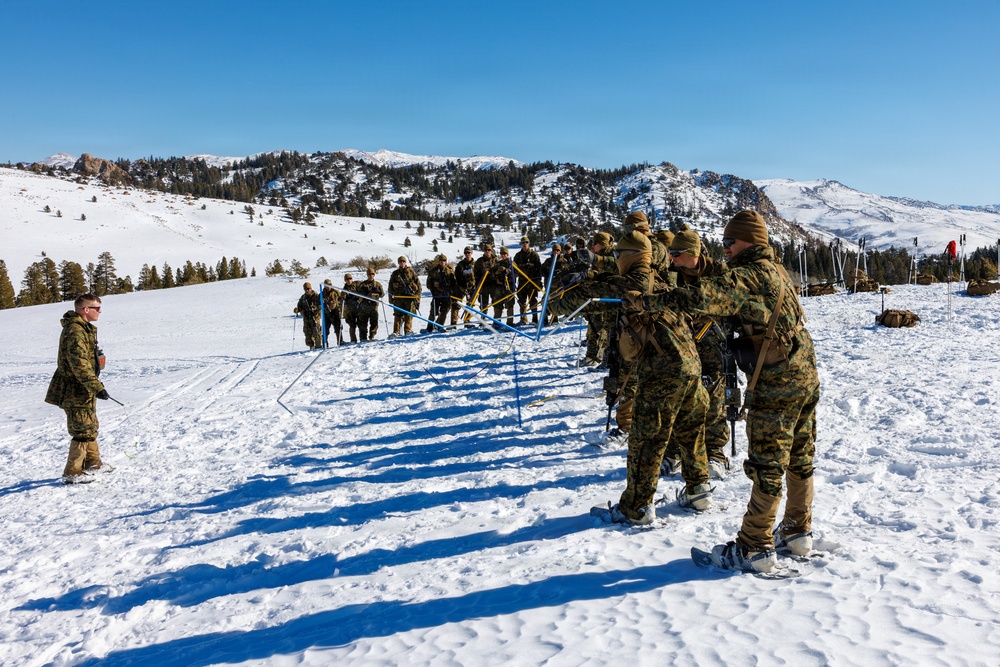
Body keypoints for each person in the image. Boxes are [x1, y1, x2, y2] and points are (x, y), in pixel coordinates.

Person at [626, 210, 820, 573]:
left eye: (730, 242)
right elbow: (723, 277)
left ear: (750, 241)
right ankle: (797, 529)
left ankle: (754, 546)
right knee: (799, 452)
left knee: (767, 460)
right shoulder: (772, 269)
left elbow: (699, 297)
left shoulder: (748, 276)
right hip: (803, 372)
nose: (725, 247)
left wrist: (647, 303)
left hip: (777, 380)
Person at [548, 231, 713, 525]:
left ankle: (635, 508)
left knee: (646, 439)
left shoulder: (627, 285)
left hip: (663, 371)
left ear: (627, 257)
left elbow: (573, 302)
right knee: (690, 431)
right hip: (691, 366)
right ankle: (699, 489)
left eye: (617, 256)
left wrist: (563, 293)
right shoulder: (662, 280)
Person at [663, 228, 730, 479]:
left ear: (693, 253)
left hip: (713, 346)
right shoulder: (670, 276)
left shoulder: (718, 273)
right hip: (681, 347)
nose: (671, 258)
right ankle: (674, 453)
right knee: (677, 401)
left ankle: (715, 453)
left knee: (714, 403)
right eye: (670, 252)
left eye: (677, 253)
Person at [45, 294, 112, 484]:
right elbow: (80, 365)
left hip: (83, 387)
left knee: (89, 425)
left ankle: (93, 463)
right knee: (82, 428)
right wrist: (97, 387)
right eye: (97, 308)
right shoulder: (75, 331)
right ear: (85, 310)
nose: (100, 311)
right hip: (75, 388)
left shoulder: (82, 329)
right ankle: (73, 472)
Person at [388, 256, 421, 336]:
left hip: (409, 298)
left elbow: (419, 285)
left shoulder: (411, 272)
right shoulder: (395, 274)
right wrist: (390, 298)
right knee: (397, 315)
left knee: (409, 314)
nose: (402, 263)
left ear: (405, 262)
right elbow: (390, 287)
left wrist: (417, 297)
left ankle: (408, 330)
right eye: (400, 262)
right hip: (398, 298)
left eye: (403, 261)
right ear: (398, 263)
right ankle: (396, 332)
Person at [513, 236, 542, 325]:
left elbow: (539, 269)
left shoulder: (534, 255)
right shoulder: (518, 256)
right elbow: (514, 270)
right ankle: (523, 319)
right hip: (522, 282)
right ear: (521, 244)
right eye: (523, 243)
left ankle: (535, 319)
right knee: (522, 301)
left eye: (526, 242)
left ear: (529, 243)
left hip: (532, 282)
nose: (525, 244)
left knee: (533, 301)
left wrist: (538, 282)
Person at [426, 253, 460, 329]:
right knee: (433, 312)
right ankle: (429, 327)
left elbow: (454, 283)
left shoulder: (449, 271)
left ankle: (440, 326)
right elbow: (429, 283)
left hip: (446, 296)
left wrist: (451, 292)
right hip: (436, 295)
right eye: (441, 260)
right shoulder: (433, 271)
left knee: (444, 311)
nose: (442, 262)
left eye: (444, 260)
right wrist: (434, 290)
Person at [540, 243, 569, 324]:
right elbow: (541, 269)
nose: (556, 252)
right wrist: (545, 273)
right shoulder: (548, 261)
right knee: (544, 301)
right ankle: (544, 319)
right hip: (549, 285)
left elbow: (568, 272)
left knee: (555, 303)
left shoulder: (564, 261)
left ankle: (554, 319)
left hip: (559, 287)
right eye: (554, 250)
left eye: (558, 250)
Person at [355, 268, 385, 341]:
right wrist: (364, 292)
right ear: (367, 275)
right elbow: (357, 295)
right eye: (369, 274)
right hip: (364, 307)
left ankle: (372, 336)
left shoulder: (377, 284)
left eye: (372, 274)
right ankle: (363, 338)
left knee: (374, 322)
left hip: (373, 307)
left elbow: (382, 294)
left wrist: (376, 292)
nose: (371, 276)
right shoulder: (362, 284)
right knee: (362, 323)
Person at [491, 246, 516, 326]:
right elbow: (492, 274)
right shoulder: (498, 263)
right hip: (499, 287)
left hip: (509, 287)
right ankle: (497, 323)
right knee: (498, 305)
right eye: (501, 254)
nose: (503, 255)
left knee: (510, 305)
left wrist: (507, 272)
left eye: (504, 254)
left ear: (507, 254)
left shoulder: (511, 263)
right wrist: (496, 273)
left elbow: (517, 273)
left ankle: (510, 323)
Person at [295, 282, 322, 350]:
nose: (307, 290)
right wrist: (297, 310)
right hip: (306, 318)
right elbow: (299, 306)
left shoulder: (316, 296)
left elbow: (320, 306)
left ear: (311, 288)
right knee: (307, 332)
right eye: (305, 289)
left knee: (316, 331)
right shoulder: (303, 297)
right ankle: (311, 347)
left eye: (308, 289)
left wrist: (315, 308)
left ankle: (318, 346)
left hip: (315, 316)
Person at [455, 246, 477, 325]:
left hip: (473, 287)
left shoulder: (475, 264)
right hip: (462, 287)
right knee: (457, 304)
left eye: (469, 253)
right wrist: (461, 285)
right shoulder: (460, 265)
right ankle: (454, 323)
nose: (467, 254)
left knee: (470, 304)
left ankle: (467, 320)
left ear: (471, 253)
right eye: (466, 253)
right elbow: (457, 276)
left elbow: (479, 275)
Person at [473, 245, 498, 312]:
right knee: (483, 304)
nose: (487, 251)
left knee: (496, 303)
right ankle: (483, 318)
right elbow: (475, 273)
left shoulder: (495, 260)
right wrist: (478, 284)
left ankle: (497, 319)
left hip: (493, 285)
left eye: (489, 250)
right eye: (486, 250)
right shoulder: (479, 261)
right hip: (483, 285)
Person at [321, 278, 343, 346]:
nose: (328, 287)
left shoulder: (336, 292)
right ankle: (325, 343)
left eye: (329, 285)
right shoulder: (322, 294)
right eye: (326, 285)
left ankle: (340, 341)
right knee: (325, 329)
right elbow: (317, 302)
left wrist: (338, 303)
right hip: (326, 314)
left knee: (338, 328)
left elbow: (342, 299)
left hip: (335, 312)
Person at [341, 273, 362, 343]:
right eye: (347, 279)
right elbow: (342, 299)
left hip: (359, 308)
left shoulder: (357, 284)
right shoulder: (344, 289)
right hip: (350, 310)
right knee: (352, 325)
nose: (349, 281)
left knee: (361, 324)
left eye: (350, 279)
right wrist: (343, 297)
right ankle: (353, 339)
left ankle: (363, 338)